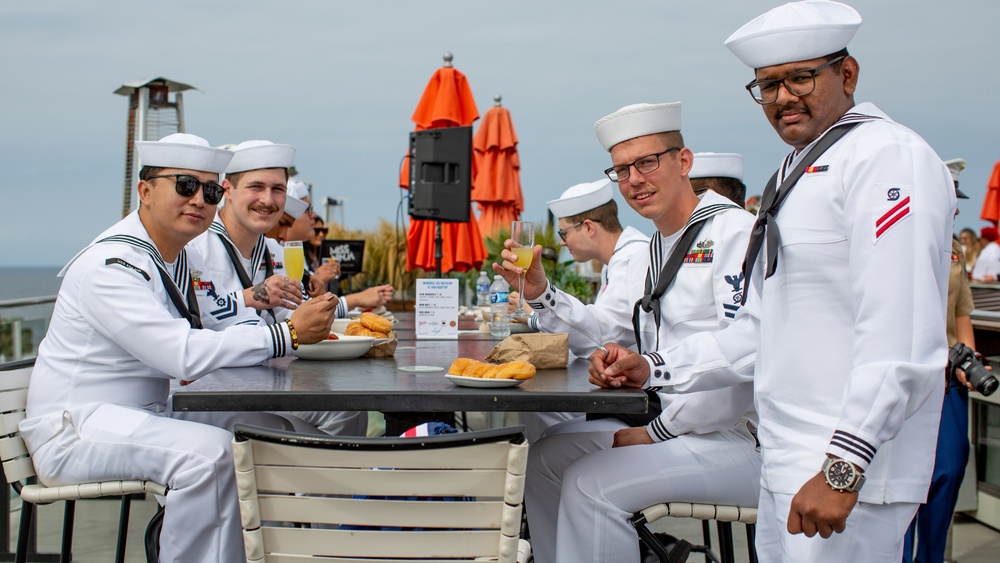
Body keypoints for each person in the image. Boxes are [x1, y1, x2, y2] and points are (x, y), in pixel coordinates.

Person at [593, 2, 955, 560]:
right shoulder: (799, 168)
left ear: (848, 74)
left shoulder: (886, 157)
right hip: (788, 457)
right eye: (768, 85)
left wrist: (844, 467)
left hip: (847, 466)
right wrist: (655, 367)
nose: (784, 97)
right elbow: (763, 332)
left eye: (802, 77)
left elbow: (901, 330)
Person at [18, 133, 339, 562]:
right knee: (210, 456)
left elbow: (219, 320)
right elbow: (180, 353)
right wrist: (287, 335)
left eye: (209, 190)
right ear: (146, 191)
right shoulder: (111, 267)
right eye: (185, 186)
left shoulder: (173, 257)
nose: (199, 201)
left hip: (149, 411)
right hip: (78, 426)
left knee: (283, 434)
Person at [494, 102, 760, 563]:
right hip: (677, 428)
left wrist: (656, 428)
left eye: (647, 162)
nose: (634, 178)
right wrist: (542, 293)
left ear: (684, 161)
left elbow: (747, 353)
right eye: (622, 170)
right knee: (543, 460)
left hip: (738, 437)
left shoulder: (733, 232)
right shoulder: (658, 245)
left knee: (590, 485)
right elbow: (600, 332)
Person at [189, 140, 366, 437]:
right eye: (256, 187)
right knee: (337, 413)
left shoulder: (274, 250)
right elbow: (196, 324)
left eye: (277, 189)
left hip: (268, 377)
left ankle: (320, 483)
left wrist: (320, 309)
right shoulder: (196, 247)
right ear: (227, 191)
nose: (268, 200)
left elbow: (292, 314)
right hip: (214, 389)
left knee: (350, 406)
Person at [518, 178, 649, 442]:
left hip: (639, 397)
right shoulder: (617, 260)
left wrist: (540, 297)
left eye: (564, 233)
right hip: (628, 386)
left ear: (588, 227)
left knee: (537, 404)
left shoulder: (634, 259)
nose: (563, 243)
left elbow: (600, 337)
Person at [902, 160, 977, 563]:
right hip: (910, 380)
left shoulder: (954, 249)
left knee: (948, 470)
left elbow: (960, 311)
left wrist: (968, 355)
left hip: (948, 380)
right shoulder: (896, 240)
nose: (959, 210)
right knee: (905, 484)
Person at [269, 181, 394, 315]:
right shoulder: (272, 249)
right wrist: (356, 300)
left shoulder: (290, 249)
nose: (314, 215)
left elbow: (303, 309)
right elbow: (298, 314)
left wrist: (358, 305)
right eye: (308, 210)